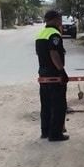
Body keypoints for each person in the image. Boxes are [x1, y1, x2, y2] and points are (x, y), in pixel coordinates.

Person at [35, 10, 69, 142]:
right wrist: (62, 71)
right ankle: (55, 134)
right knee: (59, 105)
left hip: (43, 74)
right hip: (54, 75)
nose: (61, 21)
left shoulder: (40, 34)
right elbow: (53, 53)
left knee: (46, 105)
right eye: (59, 19)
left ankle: (45, 131)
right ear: (55, 19)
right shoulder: (54, 34)